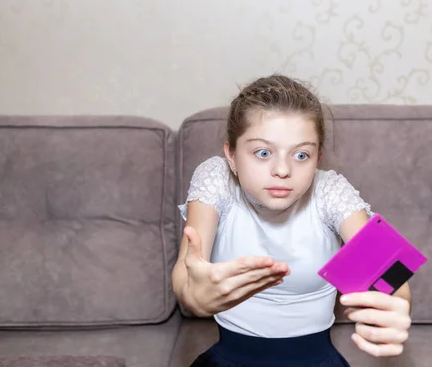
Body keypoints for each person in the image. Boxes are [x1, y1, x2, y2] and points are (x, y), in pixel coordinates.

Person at [172, 74, 412, 367]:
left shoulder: (329, 192)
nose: (283, 169)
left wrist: (395, 311)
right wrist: (193, 297)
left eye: (301, 154)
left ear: (318, 158)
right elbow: (186, 274)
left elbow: (394, 282)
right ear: (231, 155)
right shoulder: (217, 178)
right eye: (263, 152)